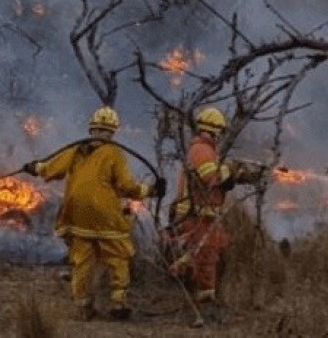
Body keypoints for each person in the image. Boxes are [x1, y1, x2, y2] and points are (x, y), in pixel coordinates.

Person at [22, 106, 166, 321]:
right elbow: (127, 187)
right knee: (118, 254)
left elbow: (53, 168)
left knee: (82, 259)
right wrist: (151, 191)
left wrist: (36, 168)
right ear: (113, 131)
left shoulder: (77, 149)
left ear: (92, 129)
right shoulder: (114, 153)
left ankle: (83, 306)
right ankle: (119, 302)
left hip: (76, 213)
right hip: (105, 214)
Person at [169, 106, 240, 304]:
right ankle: (204, 297)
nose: (220, 137)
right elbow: (209, 176)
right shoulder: (202, 149)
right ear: (215, 130)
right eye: (219, 132)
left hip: (203, 212)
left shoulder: (203, 149)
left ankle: (199, 286)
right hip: (197, 213)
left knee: (213, 248)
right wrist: (231, 172)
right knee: (205, 254)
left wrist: (230, 174)